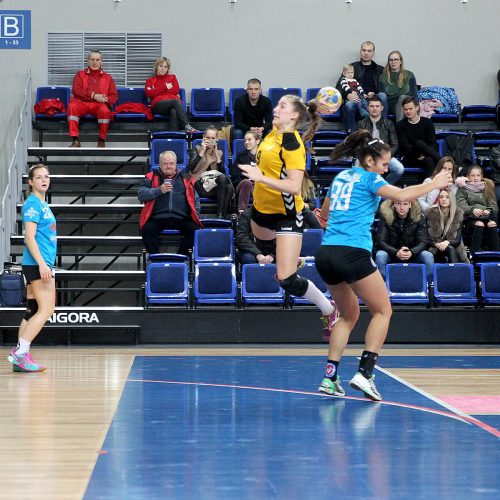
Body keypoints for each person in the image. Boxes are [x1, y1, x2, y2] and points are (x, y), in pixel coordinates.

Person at [314, 131, 450, 400]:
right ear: (368, 161)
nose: (387, 168)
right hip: (352, 252)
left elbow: (324, 215)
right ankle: (365, 374)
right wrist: (434, 182)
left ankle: (330, 378)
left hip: (327, 253)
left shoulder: (340, 177)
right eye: (384, 163)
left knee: (348, 316)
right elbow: (402, 195)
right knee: (383, 311)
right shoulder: (370, 178)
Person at [238, 95, 339, 341]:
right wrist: (313, 102)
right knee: (265, 249)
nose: (275, 108)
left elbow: (294, 187)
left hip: (287, 214)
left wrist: (259, 177)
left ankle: (329, 309)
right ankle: (291, 258)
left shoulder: (293, 144)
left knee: (284, 279)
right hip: (261, 211)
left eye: (282, 106)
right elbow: (300, 110)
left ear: (293, 116)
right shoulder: (274, 131)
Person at [7, 165, 57, 372]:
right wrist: (43, 264)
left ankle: (21, 356)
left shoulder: (42, 204)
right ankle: (20, 353)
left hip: (39, 263)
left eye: (46, 177)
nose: (44, 180)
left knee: (33, 310)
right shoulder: (32, 205)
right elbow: (29, 238)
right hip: (38, 264)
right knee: (47, 309)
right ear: (31, 182)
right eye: (39, 177)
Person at [139, 151, 203, 255]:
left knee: (195, 231)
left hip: (182, 218)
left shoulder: (186, 178)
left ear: (176, 164)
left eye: (171, 163)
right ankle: (157, 260)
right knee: (147, 230)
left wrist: (196, 214)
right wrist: (159, 190)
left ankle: (180, 258)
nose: (168, 166)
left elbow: (195, 199)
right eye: (165, 164)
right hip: (157, 217)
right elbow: (141, 195)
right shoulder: (151, 177)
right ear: (159, 164)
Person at [375, 199, 434, 282]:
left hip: (413, 253)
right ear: (394, 204)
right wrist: (396, 252)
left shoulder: (419, 217)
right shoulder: (385, 216)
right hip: (391, 253)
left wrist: (412, 252)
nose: (402, 207)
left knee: (428, 256)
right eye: (399, 204)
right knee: (380, 256)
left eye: (405, 204)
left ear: (410, 205)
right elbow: (381, 242)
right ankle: (383, 286)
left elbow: (423, 241)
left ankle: (428, 286)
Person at [68, 50, 118, 148]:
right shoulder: (80, 74)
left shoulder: (108, 77)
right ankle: (75, 140)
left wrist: (104, 99)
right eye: (92, 59)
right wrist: (93, 95)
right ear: (88, 61)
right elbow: (76, 90)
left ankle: (101, 140)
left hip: (99, 105)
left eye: (97, 59)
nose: (94, 62)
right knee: (71, 106)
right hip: (82, 103)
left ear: (101, 62)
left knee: (105, 111)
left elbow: (114, 96)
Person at [335, 41, 388, 132]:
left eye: (369, 51)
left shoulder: (380, 70)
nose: (366, 53)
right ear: (360, 51)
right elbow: (338, 88)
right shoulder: (351, 68)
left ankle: (382, 130)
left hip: (373, 100)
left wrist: (375, 94)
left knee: (382, 96)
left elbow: (385, 89)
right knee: (349, 105)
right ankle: (351, 137)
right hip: (357, 100)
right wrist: (348, 95)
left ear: (373, 53)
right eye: (364, 50)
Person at [187, 126, 234, 219]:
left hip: (213, 184)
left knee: (228, 187)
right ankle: (221, 218)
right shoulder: (197, 149)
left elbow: (223, 174)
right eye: (207, 137)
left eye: (212, 138)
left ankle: (220, 217)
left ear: (217, 139)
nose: (210, 140)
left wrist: (217, 158)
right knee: (226, 186)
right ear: (203, 137)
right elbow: (190, 168)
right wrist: (202, 152)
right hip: (198, 183)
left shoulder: (219, 153)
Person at [356, 96, 404, 185]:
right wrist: (368, 156)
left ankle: (382, 187)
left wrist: (384, 156)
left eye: (377, 106)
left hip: (384, 154)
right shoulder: (361, 124)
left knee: (399, 169)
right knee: (357, 170)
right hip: (366, 155)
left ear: (382, 108)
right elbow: (359, 144)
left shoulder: (389, 124)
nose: (374, 108)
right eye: (372, 106)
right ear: (367, 108)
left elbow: (395, 144)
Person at [144, 57, 195, 133]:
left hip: (172, 104)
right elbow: (149, 94)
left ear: (168, 69)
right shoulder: (150, 81)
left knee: (174, 111)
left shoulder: (172, 78)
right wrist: (165, 87)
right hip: (158, 106)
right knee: (175, 101)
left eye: (165, 67)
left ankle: (174, 135)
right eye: (161, 66)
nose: (163, 69)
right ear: (156, 67)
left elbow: (175, 89)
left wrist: (157, 91)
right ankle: (186, 125)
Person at [456, 165, 499, 253]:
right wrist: (472, 210)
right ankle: (474, 253)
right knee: (479, 224)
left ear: (481, 177)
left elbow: (494, 206)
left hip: (486, 217)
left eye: (478, 175)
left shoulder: (487, 188)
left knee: (492, 224)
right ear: (468, 177)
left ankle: (496, 253)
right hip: (470, 219)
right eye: (473, 175)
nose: (475, 178)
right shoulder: (462, 189)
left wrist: (489, 210)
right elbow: (460, 206)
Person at [396, 97, 441, 176]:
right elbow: (404, 146)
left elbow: (432, 143)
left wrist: (425, 154)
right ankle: (443, 161)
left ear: (417, 108)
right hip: (408, 157)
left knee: (429, 160)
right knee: (418, 143)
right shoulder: (400, 125)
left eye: (410, 108)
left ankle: (431, 185)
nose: (408, 111)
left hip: (425, 156)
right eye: (405, 109)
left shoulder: (427, 122)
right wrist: (420, 153)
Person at [425, 190, 468, 263]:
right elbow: (426, 237)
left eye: (447, 197)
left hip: (452, 246)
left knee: (450, 248)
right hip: (434, 247)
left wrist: (447, 242)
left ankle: (455, 271)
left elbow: (457, 240)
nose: (444, 199)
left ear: (452, 199)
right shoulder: (430, 213)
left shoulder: (458, 214)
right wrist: (436, 244)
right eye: (441, 197)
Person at [378, 51, 418, 121]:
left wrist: (415, 107)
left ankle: (399, 128)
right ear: (389, 62)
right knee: (382, 95)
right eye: (391, 60)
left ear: (400, 61)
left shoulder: (409, 74)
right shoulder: (383, 77)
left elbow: (415, 95)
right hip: (390, 105)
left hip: (406, 103)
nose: (393, 62)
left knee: (402, 98)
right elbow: (382, 96)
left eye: (396, 59)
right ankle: (383, 126)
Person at [229, 131, 261, 213]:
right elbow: (234, 174)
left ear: (257, 141)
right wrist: (247, 176)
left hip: (260, 184)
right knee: (246, 183)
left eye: (249, 140)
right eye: (245, 140)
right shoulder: (240, 156)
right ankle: (241, 213)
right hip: (245, 184)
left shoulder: (265, 156)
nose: (246, 142)